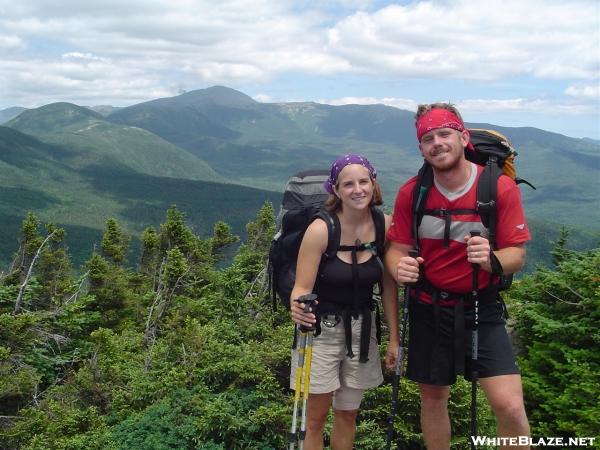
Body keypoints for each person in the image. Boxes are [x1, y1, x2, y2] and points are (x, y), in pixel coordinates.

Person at [385, 103, 531, 450]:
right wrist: (398, 266)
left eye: (444, 134)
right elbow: (396, 248)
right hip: (428, 306)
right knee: (433, 398)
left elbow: (517, 256)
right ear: (421, 148)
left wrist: (492, 260)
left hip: (483, 307)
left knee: (509, 405)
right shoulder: (412, 192)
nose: (437, 143)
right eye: (427, 138)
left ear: (463, 137)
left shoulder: (498, 188)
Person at [290, 154, 399, 450]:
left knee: (348, 413)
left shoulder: (384, 225)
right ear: (335, 190)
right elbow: (301, 286)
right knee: (314, 420)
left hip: (364, 331)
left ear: (373, 184)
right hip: (321, 331)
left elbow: (389, 287)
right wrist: (298, 308)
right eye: (348, 184)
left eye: (364, 181)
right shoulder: (321, 230)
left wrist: (394, 339)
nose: (357, 189)